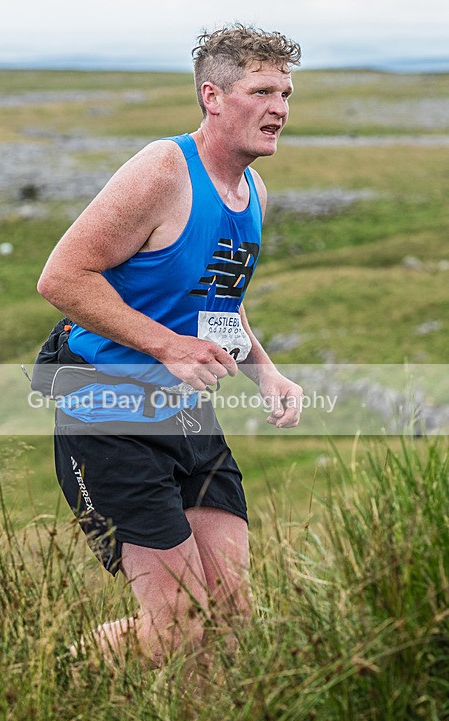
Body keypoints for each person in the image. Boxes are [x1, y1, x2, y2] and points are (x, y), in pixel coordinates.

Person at [37, 23, 303, 671]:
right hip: (106, 408)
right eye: (262, 90)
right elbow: (61, 277)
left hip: (184, 412)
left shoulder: (253, 193)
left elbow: (218, 300)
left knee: (232, 614)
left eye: (286, 92)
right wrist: (164, 346)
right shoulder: (163, 168)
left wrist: (264, 373)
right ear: (212, 97)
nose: (280, 108)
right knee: (176, 624)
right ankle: (44, 684)